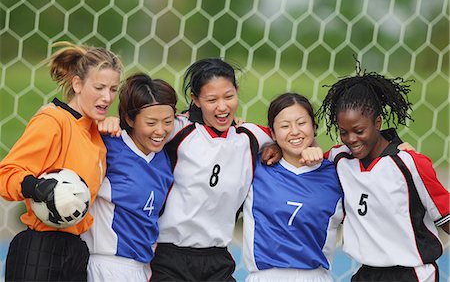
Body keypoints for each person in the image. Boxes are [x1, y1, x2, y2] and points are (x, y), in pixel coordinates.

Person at [0, 41, 122, 281]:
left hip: (76, 250)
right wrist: (35, 187)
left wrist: (113, 125)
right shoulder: (53, 120)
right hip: (40, 248)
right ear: (77, 84)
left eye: (113, 89)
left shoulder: (97, 134)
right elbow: (6, 174)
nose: (107, 97)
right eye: (99, 87)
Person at [316, 66, 450, 282]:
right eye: (344, 132)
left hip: (412, 274)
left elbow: (446, 217)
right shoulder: (338, 159)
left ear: (377, 122)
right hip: (366, 274)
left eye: (359, 131)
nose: (351, 139)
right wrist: (275, 148)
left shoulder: (410, 163)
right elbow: (301, 164)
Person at [150, 58, 275, 282]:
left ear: (237, 91)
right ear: (195, 99)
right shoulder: (177, 130)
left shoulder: (250, 137)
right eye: (211, 99)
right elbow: (139, 128)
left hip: (218, 259)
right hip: (170, 256)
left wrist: (282, 147)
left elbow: (293, 138)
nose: (222, 107)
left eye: (229, 96)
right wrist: (110, 123)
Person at [81, 73, 177, 282]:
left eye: (168, 122)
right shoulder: (108, 145)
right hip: (104, 265)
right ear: (129, 119)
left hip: (142, 268)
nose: (160, 131)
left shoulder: (165, 156)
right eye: (151, 123)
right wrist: (96, 124)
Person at [242, 93, 343, 282]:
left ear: (314, 127)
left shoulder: (337, 173)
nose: (294, 131)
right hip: (265, 277)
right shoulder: (254, 166)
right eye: (285, 126)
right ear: (272, 133)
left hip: (315, 277)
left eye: (301, 123)